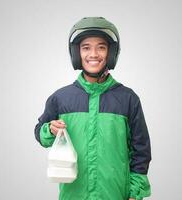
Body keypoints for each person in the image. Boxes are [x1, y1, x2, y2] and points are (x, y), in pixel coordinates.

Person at [34, 17, 151, 200]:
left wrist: (135, 194)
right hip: (74, 195)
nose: (93, 54)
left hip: (114, 194)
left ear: (111, 53)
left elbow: (141, 151)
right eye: (86, 47)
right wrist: (49, 129)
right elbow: (40, 135)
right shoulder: (61, 98)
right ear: (76, 53)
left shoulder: (128, 99)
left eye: (101, 47)